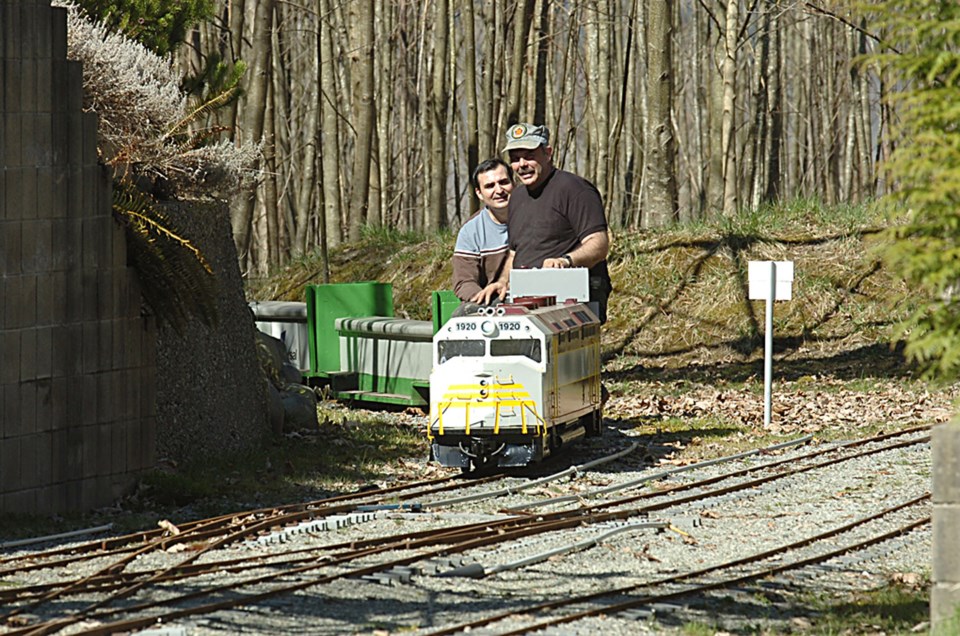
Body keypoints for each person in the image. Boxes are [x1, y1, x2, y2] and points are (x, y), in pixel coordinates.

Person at [479, 123, 613, 323]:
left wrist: (566, 261)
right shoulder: (517, 196)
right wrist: (502, 282)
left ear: (548, 153)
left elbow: (599, 244)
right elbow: (515, 253)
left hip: (570, 299)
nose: (522, 164)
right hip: (524, 296)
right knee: (466, 315)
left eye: (529, 155)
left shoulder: (575, 190)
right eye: (515, 159)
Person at [451, 158, 515, 313]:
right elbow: (464, 281)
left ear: (514, 183)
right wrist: (485, 298)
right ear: (479, 193)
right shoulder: (471, 231)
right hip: (494, 304)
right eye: (490, 186)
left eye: (504, 182)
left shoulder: (536, 217)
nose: (499, 190)